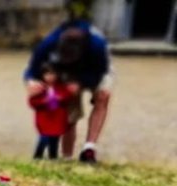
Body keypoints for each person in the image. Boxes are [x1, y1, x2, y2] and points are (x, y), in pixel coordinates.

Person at [23, 19, 112, 163]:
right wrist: (31, 81)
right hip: (63, 71)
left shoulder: (97, 45)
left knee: (103, 95)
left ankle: (89, 147)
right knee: (68, 105)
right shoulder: (48, 44)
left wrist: (82, 82)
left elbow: (100, 71)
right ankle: (67, 155)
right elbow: (32, 69)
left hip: (91, 71)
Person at [28, 63, 76, 160]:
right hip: (44, 118)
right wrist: (43, 101)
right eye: (47, 74)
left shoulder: (61, 87)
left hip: (57, 118)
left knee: (55, 139)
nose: (50, 77)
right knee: (44, 138)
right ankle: (38, 156)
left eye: (52, 74)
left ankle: (53, 157)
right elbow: (32, 102)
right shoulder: (39, 88)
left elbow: (68, 96)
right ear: (42, 75)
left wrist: (60, 98)